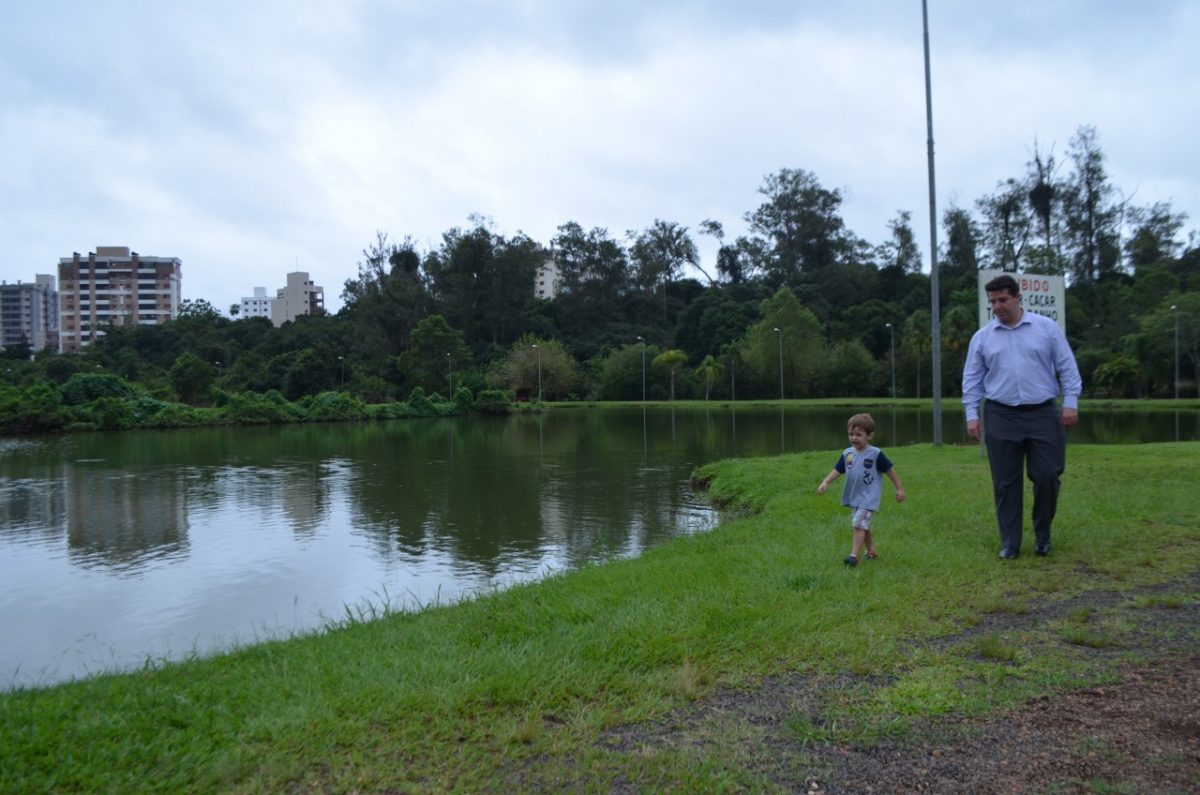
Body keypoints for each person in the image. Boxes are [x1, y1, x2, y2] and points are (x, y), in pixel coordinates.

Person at [962, 273, 1082, 560]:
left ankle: (1043, 533)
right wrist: (971, 414)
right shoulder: (982, 338)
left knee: (1047, 476)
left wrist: (1070, 403)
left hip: (1042, 412)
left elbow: (1067, 368)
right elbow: (972, 379)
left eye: (1003, 299)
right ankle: (1010, 543)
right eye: (993, 302)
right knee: (1005, 483)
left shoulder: (1046, 329)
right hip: (1001, 414)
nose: (998, 306)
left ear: (1017, 297)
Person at [817, 413, 906, 566]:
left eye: (859, 435)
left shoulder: (875, 454)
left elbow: (890, 470)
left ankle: (854, 556)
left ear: (869, 436)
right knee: (863, 525)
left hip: (868, 497)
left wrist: (899, 488)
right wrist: (826, 481)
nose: (854, 438)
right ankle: (871, 550)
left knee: (858, 524)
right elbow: (838, 469)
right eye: (851, 434)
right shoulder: (848, 453)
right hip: (854, 496)